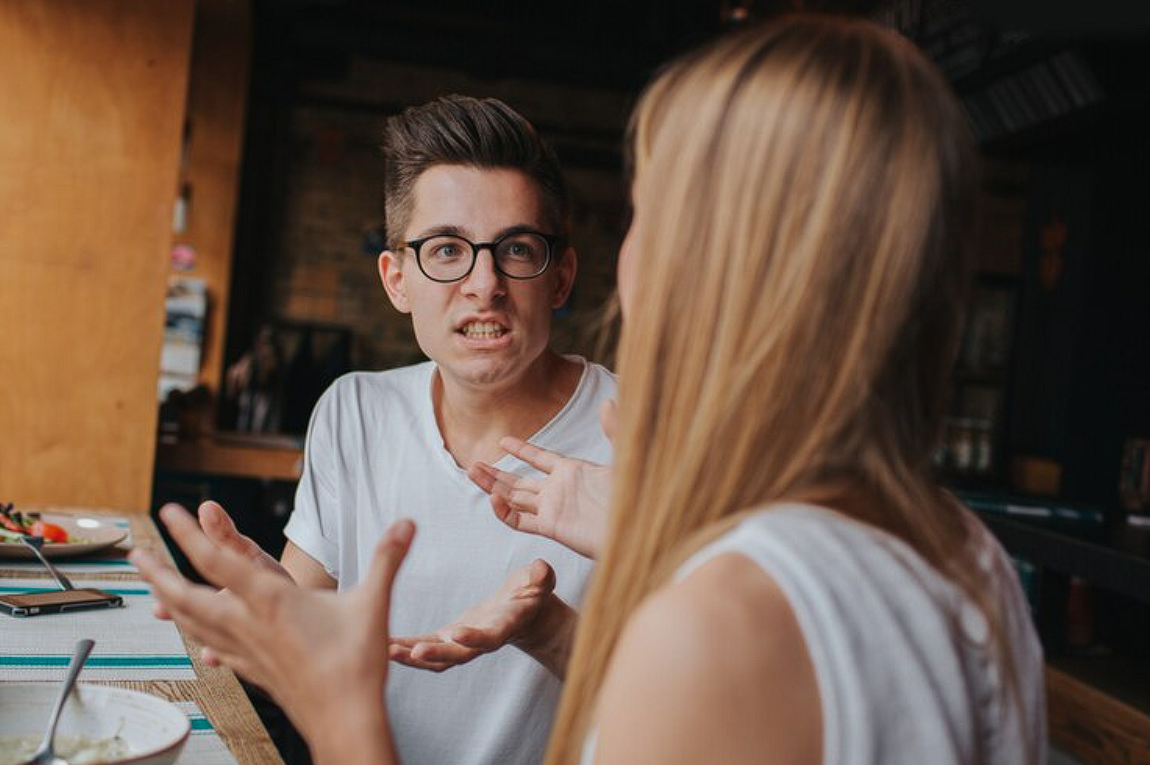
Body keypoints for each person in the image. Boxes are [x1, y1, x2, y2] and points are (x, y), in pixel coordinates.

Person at [135, 14, 1047, 765]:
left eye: (648, 211)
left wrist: (334, 709)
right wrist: (555, 631)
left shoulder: (718, 617)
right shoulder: (969, 554)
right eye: (447, 250)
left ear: (723, 267)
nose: (488, 283)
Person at [161, 95, 617, 765]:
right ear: (396, 279)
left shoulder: (636, 429)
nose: (483, 283)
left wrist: (549, 631)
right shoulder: (355, 412)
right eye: (447, 250)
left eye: (516, 248)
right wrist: (274, 617)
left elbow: (697, 709)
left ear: (561, 277)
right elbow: (309, 638)